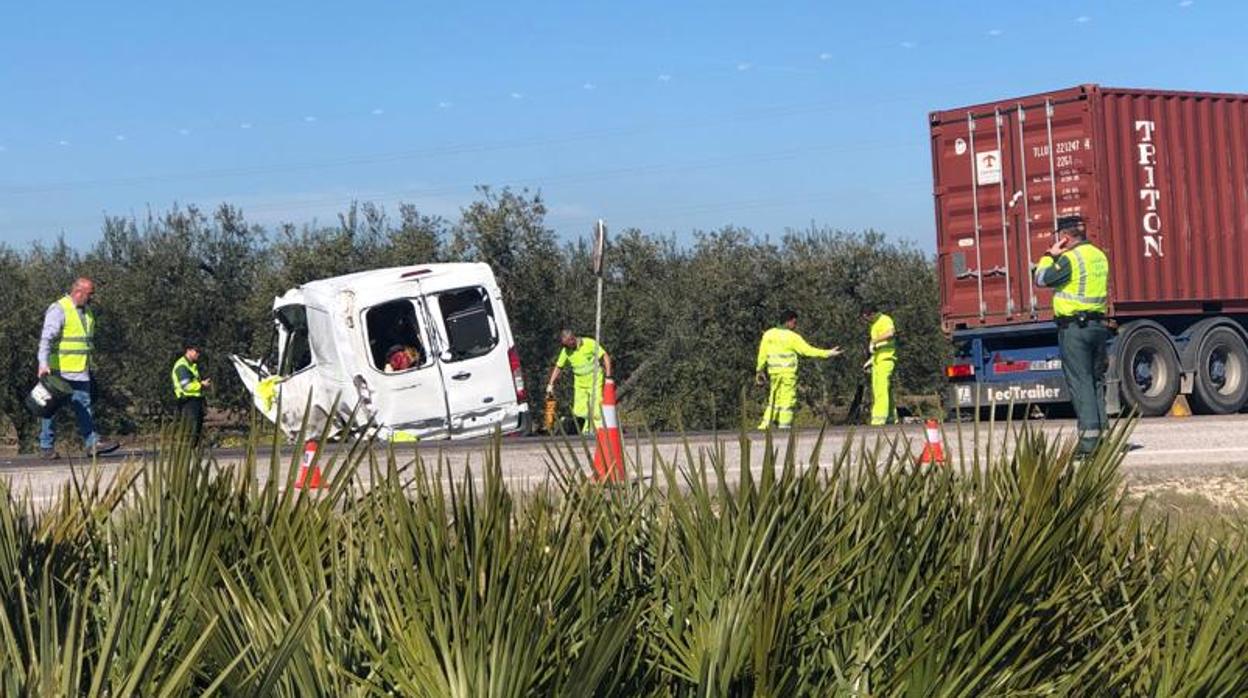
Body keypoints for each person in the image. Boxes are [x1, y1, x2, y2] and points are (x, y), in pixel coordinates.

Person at [1034, 215, 1110, 455]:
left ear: (1065, 237)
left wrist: (1049, 256)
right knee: (1096, 381)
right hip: (1098, 325)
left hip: (1075, 329)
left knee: (1080, 382)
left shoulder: (1069, 258)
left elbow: (1041, 278)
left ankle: (1088, 443)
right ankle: (1103, 437)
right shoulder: (1099, 255)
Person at [36, 277, 119, 458]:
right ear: (78, 291)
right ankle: (46, 446)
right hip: (59, 370)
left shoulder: (87, 312)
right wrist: (43, 364)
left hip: (80, 370)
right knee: (51, 408)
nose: (91, 298)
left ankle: (92, 443)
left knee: (84, 405)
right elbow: (46, 338)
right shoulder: (59, 309)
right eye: (90, 294)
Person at [755, 310, 842, 430]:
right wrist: (828, 353)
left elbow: (762, 354)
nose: (795, 326)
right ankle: (784, 426)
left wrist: (759, 370)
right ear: (789, 321)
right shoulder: (792, 337)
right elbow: (808, 351)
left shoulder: (768, 334)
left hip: (774, 373)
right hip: (788, 374)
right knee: (787, 401)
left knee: (774, 400)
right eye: (794, 322)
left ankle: (765, 425)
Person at [545, 329, 612, 433]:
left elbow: (605, 356)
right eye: (564, 345)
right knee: (579, 410)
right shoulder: (566, 351)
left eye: (567, 344)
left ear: (572, 339)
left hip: (594, 380)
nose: (566, 347)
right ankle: (586, 430)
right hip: (580, 383)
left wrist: (608, 376)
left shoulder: (589, 343)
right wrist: (551, 383)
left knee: (596, 408)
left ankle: (599, 430)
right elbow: (558, 366)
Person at [863, 309, 898, 426]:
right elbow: (878, 347)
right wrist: (871, 360)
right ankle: (890, 417)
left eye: (867, 317)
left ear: (872, 313)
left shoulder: (885, 320)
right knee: (884, 390)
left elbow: (890, 333)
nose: (866, 320)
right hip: (878, 360)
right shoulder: (874, 325)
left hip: (886, 359)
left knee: (880, 390)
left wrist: (874, 340)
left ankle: (878, 419)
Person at [171, 343, 210, 446]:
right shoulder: (182, 366)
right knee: (190, 430)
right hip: (187, 401)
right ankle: (187, 450)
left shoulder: (192, 365)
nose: (198, 354)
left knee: (196, 429)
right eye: (196, 351)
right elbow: (186, 386)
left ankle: (193, 449)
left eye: (199, 352)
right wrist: (201, 384)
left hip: (195, 400)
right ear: (188, 351)